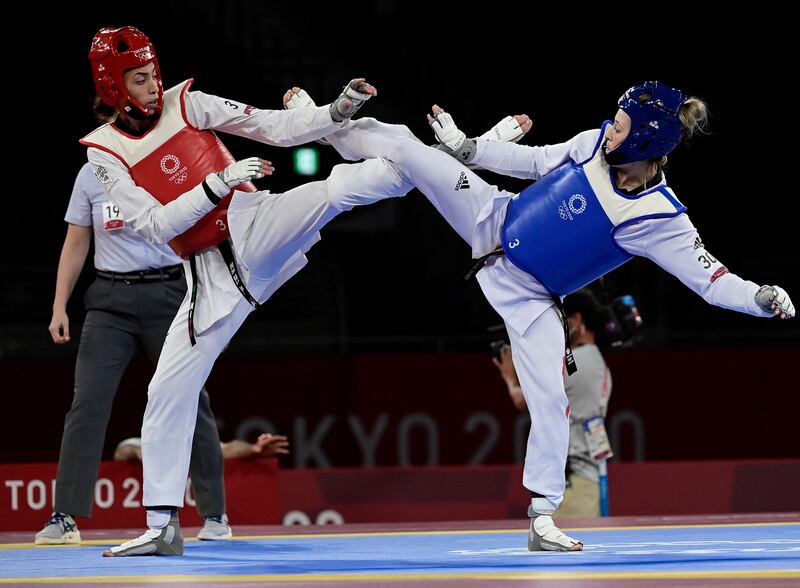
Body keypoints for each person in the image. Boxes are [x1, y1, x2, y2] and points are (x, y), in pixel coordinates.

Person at [294, 80, 795, 551]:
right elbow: (534, 162)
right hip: (491, 216)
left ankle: (541, 517)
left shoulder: (660, 218)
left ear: (644, 142)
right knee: (406, 148)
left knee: (552, 399)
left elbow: (710, 280)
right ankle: (321, 123)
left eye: (621, 126)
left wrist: (758, 296)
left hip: (531, 297)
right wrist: (471, 150)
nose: (610, 128)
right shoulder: (596, 143)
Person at [82, 26, 413, 557]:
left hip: (253, 230)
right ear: (113, 86)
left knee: (330, 191)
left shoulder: (187, 103)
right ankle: (162, 523)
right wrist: (215, 182)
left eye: (153, 74)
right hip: (208, 282)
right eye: (139, 79)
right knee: (167, 391)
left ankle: (422, 165)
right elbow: (152, 227)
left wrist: (333, 112)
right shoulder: (103, 152)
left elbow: (271, 126)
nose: (153, 86)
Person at [35, 165, 231, 546]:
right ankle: (65, 517)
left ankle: (214, 514)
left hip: (173, 293)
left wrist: (217, 309)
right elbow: (76, 241)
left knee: (190, 398)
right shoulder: (92, 173)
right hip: (110, 301)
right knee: (87, 403)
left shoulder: (169, 161)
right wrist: (59, 305)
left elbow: (208, 236)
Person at [493, 289, 612, 518]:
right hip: (586, 479)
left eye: (562, 320)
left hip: (574, 484)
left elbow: (524, 400)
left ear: (576, 320)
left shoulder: (577, 361)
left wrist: (510, 377)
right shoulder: (596, 359)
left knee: (558, 550)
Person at [114, 432, 290, 462]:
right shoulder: (146, 444)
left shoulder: (189, 445)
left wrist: (254, 449)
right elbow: (123, 450)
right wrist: (140, 452)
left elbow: (228, 448)